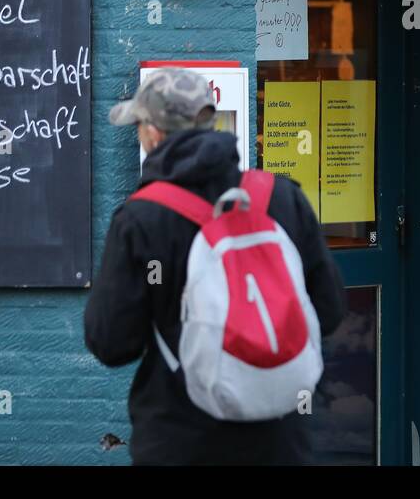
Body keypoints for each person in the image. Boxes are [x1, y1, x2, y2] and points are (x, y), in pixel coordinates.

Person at [85, 68, 347, 465]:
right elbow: (328, 311)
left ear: (153, 133)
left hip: (179, 441)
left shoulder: (140, 219)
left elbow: (112, 343)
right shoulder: (281, 198)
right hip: (278, 440)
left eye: (138, 125)